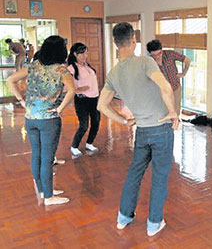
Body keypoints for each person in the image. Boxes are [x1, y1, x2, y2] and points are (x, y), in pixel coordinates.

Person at [97, 22, 179, 236]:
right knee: (160, 177)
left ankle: (123, 217)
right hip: (161, 129)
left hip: (141, 131)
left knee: (134, 174)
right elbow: (166, 86)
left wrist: (124, 121)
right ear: (133, 39)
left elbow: (101, 105)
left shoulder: (114, 73)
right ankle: (153, 224)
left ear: (115, 43)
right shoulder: (145, 61)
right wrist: (172, 111)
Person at [6, 35, 75, 206]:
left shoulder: (34, 66)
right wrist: (59, 109)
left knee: (36, 154)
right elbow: (72, 90)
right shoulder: (61, 70)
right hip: (49, 120)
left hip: (30, 118)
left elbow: (10, 80)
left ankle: (43, 189)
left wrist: (22, 101)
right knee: (47, 158)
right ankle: (49, 196)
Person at [67, 42, 101, 156]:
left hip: (94, 99)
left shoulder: (88, 66)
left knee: (96, 123)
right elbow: (68, 88)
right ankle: (74, 146)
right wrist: (80, 89)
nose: (84, 56)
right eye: (82, 53)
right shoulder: (71, 68)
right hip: (82, 100)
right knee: (84, 125)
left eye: (86, 53)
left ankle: (89, 143)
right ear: (75, 54)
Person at [146, 39, 191, 115]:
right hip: (161, 91)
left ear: (162, 50)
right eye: (154, 55)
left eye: (159, 54)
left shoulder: (170, 54)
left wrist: (184, 73)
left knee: (176, 113)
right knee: (163, 113)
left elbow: (187, 60)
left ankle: (174, 126)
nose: (157, 57)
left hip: (175, 88)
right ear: (150, 54)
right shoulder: (149, 61)